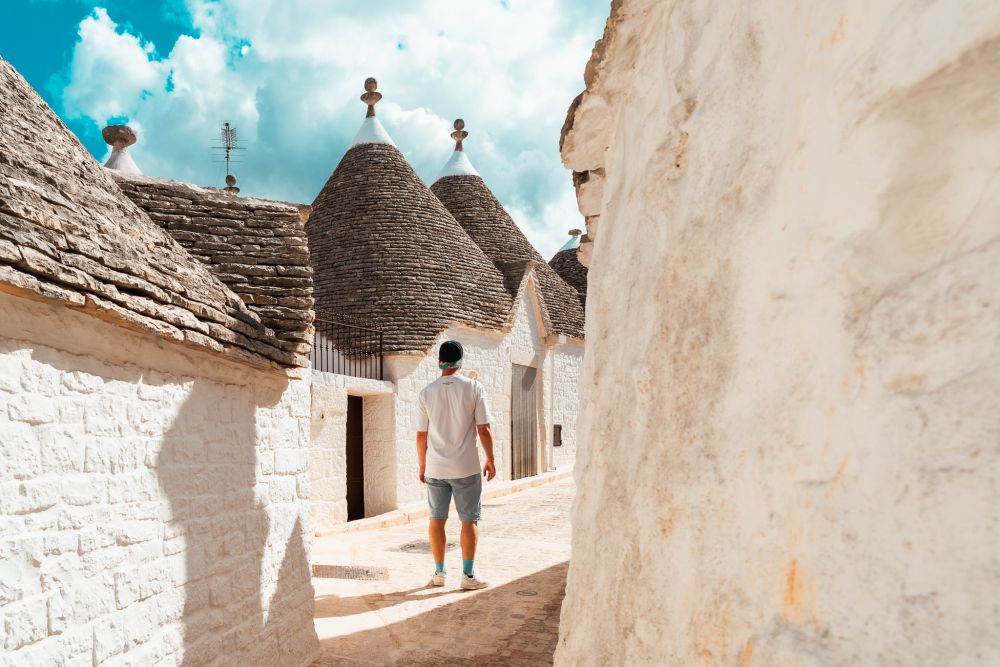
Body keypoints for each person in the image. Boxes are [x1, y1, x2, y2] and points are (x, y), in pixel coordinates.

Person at [416, 340, 496, 590]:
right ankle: (468, 576)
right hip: (466, 467)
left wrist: (422, 466)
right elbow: (484, 429)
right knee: (468, 520)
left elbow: (421, 435)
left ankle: (439, 574)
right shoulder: (474, 388)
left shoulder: (427, 392)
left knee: (436, 519)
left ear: (439, 361)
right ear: (460, 361)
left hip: (436, 468)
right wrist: (491, 459)